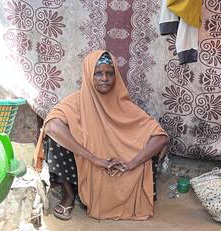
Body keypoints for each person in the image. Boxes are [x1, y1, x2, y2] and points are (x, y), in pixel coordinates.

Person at [33, 50, 168, 221]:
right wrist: (95, 159)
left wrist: (131, 164)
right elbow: (52, 126)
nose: (104, 78)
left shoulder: (123, 104)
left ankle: (108, 195)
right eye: (98, 73)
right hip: (89, 163)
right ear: (89, 75)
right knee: (54, 140)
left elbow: (160, 137)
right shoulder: (76, 101)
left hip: (119, 167)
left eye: (109, 73)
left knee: (150, 150)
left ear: (115, 76)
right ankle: (68, 196)